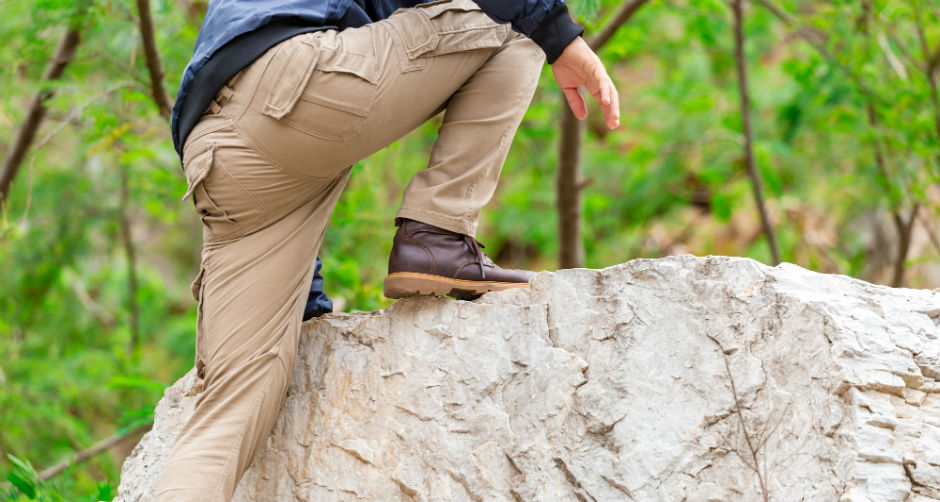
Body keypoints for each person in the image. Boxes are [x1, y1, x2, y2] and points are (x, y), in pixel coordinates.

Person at [155, 0, 619, 500]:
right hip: (293, 80)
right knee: (517, 23)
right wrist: (559, 35)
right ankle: (438, 231)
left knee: (231, 409)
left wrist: (301, 303)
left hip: (216, 152)